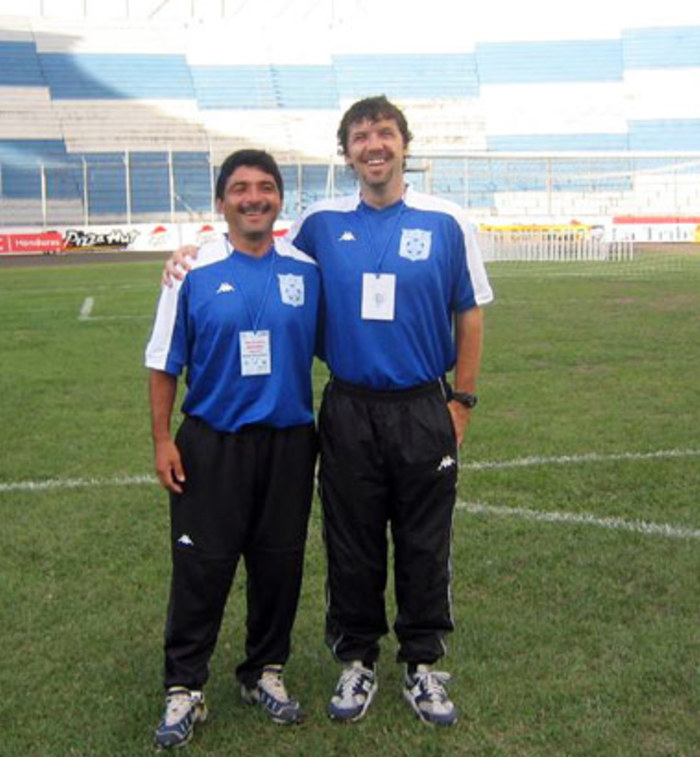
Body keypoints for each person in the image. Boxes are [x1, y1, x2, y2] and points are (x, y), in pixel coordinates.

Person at [164, 95, 493, 728]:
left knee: (426, 540)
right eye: (361, 136)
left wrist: (461, 399)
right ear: (345, 152)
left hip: (424, 404)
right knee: (352, 540)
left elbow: (469, 311)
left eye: (385, 134)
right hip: (347, 406)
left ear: (404, 144)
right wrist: (189, 255)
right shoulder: (319, 224)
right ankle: (358, 659)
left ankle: (422, 664)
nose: (375, 145)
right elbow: (255, 247)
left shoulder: (448, 220)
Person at [144, 149, 322, 749]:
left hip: (290, 444)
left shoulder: (306, 267)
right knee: (202, 567)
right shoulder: (190, 269)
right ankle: (184, 686)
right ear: (221, 202)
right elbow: (163, 362)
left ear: (279, 200)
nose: (254, 198)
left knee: (279, 564)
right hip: (212, 444)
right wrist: (163, 439)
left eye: (266, 187)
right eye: (241, 188)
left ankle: (263, 672)